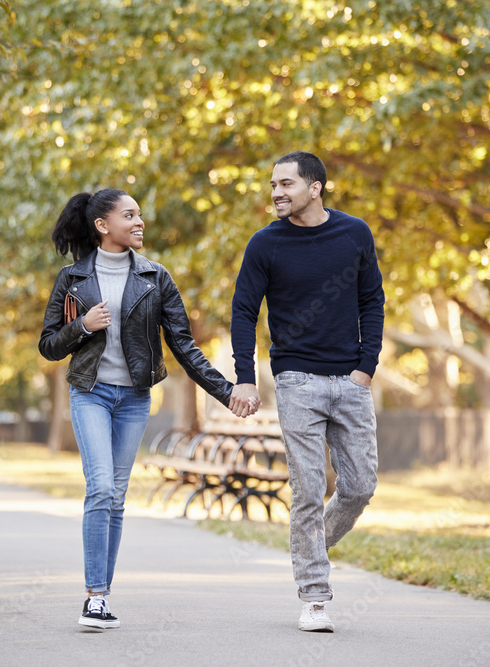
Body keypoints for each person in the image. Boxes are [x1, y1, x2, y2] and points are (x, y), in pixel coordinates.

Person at [39, 188, 255, 630]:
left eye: (140, 214)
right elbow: (48, 345)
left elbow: (184, 347)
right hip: (91, 393)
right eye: (129, 215)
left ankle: (103, 594)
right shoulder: (73, 278)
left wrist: (226, 391)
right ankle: (94, 598)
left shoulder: (156, 277)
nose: (140, 222)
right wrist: (82, 325)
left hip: (134, 399)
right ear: (103, 225)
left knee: (116, 497)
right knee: (100, 487)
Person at [229, 151, 384, 632]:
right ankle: (314, 597)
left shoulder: (354, 233)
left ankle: (309, 543)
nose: (276, 192)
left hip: (351, 382)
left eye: (286, 184)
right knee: (309, 491)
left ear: (315, 187)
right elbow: (243, 312)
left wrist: (366, 368)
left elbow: (372, 299)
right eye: (272, 185)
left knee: (360, 487)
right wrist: (246, 376)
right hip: (296, 381)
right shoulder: (264, 244)